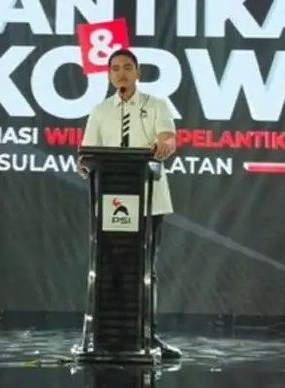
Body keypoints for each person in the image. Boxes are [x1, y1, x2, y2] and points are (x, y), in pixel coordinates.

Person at [78, 48, 182, 360]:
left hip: (149, 200)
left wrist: (164, 145)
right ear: (109, 75)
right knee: (111, 268)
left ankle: (147, 335)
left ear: (138, 73)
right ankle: (107, 335)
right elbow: (87, 155)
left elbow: (169, 139)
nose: (121, 73)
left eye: (127, 67)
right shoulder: (100, 111)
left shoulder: (156, 105)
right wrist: (83, 165)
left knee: (144, 269)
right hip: (112, 201)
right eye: (115, 69)